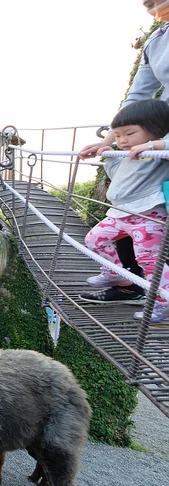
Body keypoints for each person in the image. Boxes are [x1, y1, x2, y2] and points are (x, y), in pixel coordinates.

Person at [78, 1, 169, 300]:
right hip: (155, 125)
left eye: (157, 1)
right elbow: (138, 94)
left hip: (160, 139)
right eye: (149, 4)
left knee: (151, 256)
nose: (153, 9)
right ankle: (125, 282)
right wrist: (112, 139)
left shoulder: (154, 142)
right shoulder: (156, 41)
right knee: (104, 240)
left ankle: (161, 299)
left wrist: (157, 143)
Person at [79, 99, 169, 323]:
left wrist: (152, 146)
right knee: (94, 240)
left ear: (155, 129)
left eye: (129, 133)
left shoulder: (157, 153)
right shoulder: (128, 153)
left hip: (147, 215)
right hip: (120, 213)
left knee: (149, 260)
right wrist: (109, 155)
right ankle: (115, 273)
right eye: (117, 135)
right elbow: (119, 181)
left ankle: (163, 301)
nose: (122, 140)